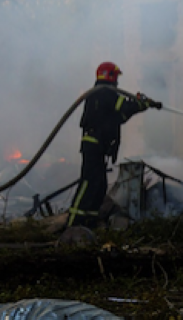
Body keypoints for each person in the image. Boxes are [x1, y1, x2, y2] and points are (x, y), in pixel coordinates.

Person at [67, 61, 162, 228]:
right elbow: (124, 106)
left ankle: (89, 221)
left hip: (99, 146)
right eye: (116, 76)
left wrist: (142, 105)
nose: (117, 80)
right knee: (89, 182)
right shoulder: (104, 93)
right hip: (94, 145)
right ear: (109, 76)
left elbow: (120, 117)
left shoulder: (105, 95)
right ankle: (74, 221)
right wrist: (141, 104)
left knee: (99, 184)